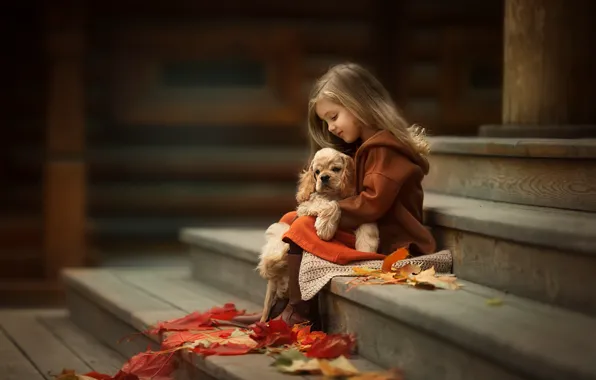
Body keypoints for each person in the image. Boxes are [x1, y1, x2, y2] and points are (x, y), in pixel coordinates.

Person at [238, 62, 437, 327]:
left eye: (333, 117)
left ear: (358, 105)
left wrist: (331, 211)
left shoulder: (385, 150)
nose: (330, 127)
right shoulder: (365, 147)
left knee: (303, 228)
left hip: (394, 239)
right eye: (326, 121)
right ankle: (280, 305)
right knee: (291, 218)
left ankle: (299, 313)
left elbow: (373, 203)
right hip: (373, 226)